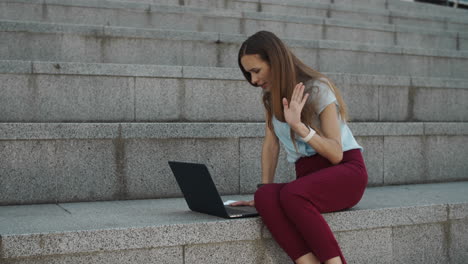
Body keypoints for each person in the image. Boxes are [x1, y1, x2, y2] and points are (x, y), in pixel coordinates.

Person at [230, 31, 368, 264]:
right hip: (309, 179)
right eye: (248, 74)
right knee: (265, 196)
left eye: (256, 71)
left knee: (292, 195)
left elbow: (336, 154)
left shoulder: (317, 89)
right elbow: (271, 144)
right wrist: (266, 188)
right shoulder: (270, 97)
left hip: (345, 173)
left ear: (274, 61)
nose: (253, 81)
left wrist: (300, 126)